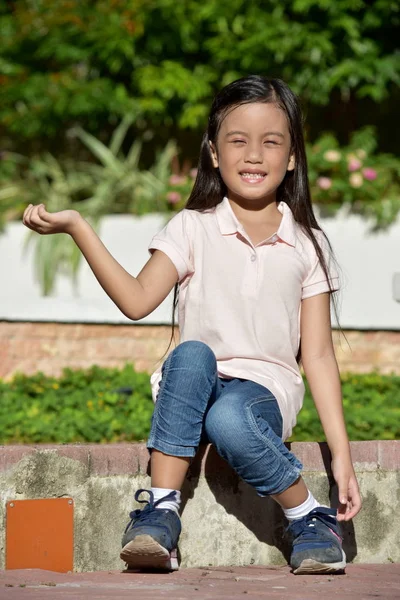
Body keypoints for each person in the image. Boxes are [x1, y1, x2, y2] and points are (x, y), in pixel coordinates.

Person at [23, 75, 362, 575]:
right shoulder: (192, 226)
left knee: (228, 418)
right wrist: (78, 226)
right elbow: (136, 301)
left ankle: (308, 513)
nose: (253, 155)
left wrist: (343, 455)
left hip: (262, 393)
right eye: (237, 141)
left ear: (292, 156)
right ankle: (160, 512)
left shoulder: (307, 244)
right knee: (191, 354)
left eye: (271, 142)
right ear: (213, 153)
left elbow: (316, 356)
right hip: (192, 386)